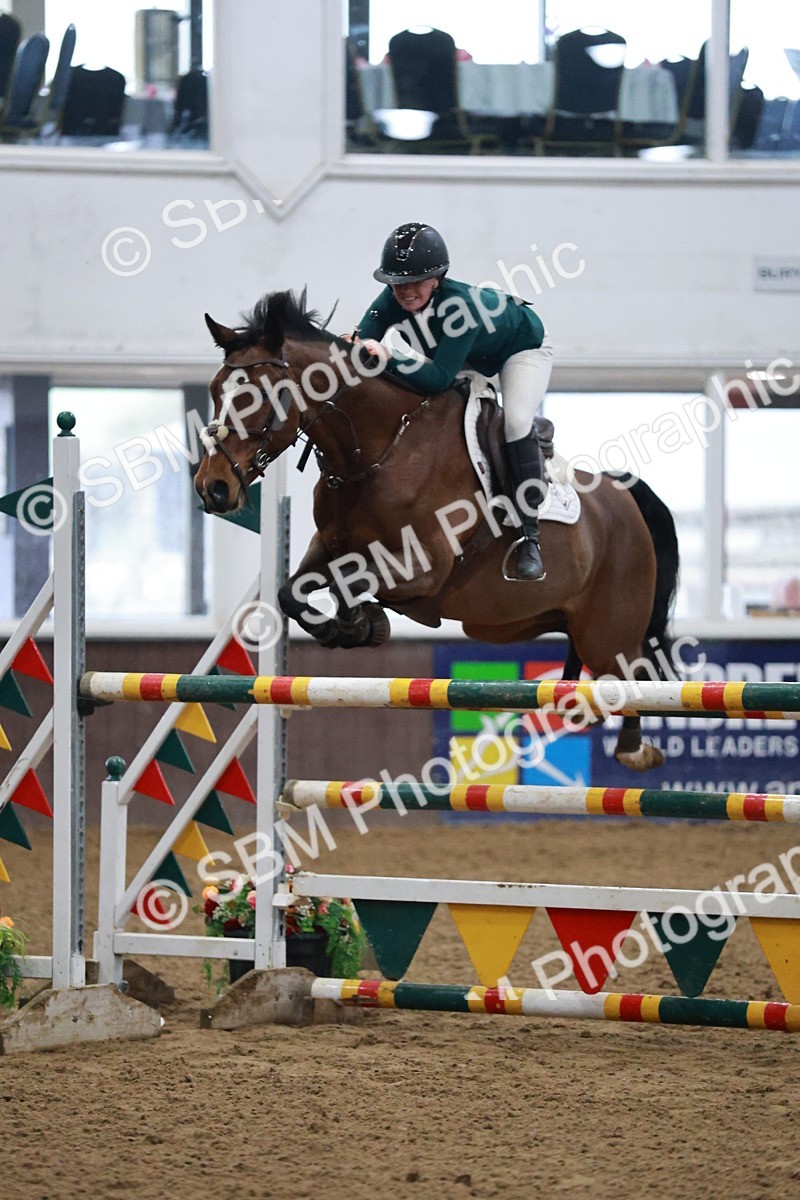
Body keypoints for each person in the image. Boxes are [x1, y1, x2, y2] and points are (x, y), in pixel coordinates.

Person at [350, 221, 553, 581]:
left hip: (519, 350)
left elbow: (438, 378)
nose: (405, 291)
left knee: (516, 420)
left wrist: (386, 355)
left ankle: (528, 537)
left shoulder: (462, 306)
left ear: (437, 278)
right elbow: (360, 344)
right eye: (397, 283)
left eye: (415, 282)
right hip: (466, 357)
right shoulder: (392, 298)